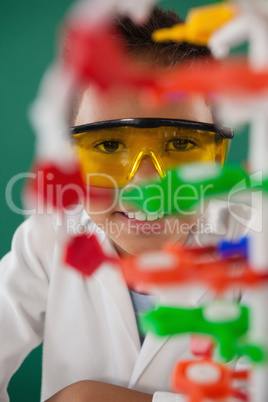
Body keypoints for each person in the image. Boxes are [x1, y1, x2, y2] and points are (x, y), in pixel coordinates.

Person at [0, 6, 251, 402]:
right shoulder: (45, 241)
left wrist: (85, 397)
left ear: (218, 156)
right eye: (110, 145)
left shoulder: (257, 247)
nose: (145, 181)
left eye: (181, 144)